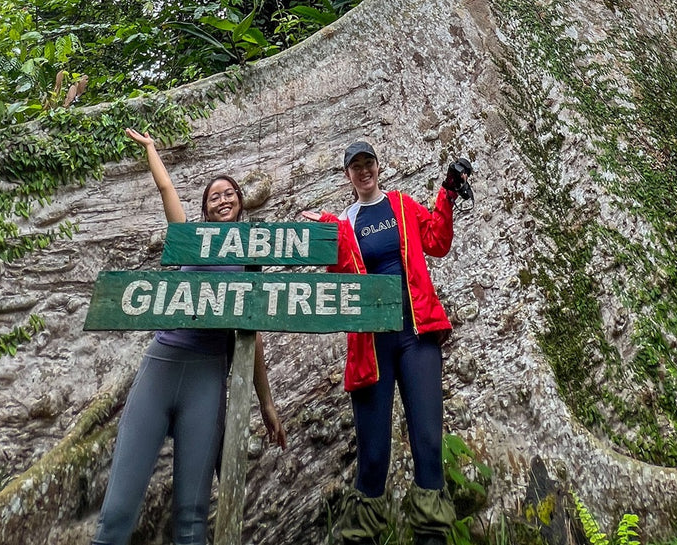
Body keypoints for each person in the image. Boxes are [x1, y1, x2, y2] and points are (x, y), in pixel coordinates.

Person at [92, 128, 286, 545]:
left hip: (207, 377)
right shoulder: (190, 240)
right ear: (204, 210)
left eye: (229, 193)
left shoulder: (250, 258)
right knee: (117, 513)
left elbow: (252, 341)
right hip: (164, 364)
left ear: (240, 204)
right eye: (214, 195)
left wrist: (267, 402)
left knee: (192, 517)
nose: (222, 198)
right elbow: (166, 191)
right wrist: (151, 150)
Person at [302, 141, 472, 545]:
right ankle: (362, 536)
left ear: (378, 167)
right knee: (373, 455)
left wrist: (446, 193)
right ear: (347, 175)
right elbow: (339, 274)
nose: (363, 171)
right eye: (354, 167)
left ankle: (432, 535)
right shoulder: (345, 221)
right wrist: (327, 232)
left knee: (428, 443)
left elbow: (437, 241)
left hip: (416, 338)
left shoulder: (400, 204)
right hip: (372, 347)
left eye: (368, 163)